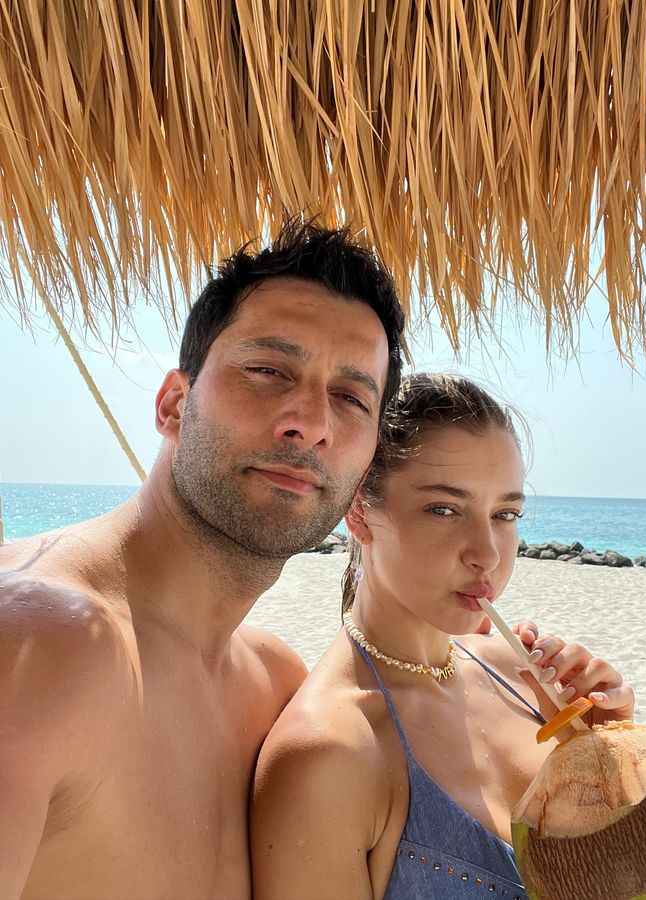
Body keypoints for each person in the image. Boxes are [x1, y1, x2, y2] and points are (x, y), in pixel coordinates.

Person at [0, 219, 404, 900]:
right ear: (173, 405)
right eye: (268, 371)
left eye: (350, 397)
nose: (311, 423)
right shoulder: (39, 646)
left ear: (364, 469)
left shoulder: (275, 685)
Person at [252, 373, 635, 900]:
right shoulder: (331, 754)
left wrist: (614, 751)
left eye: (505, 514)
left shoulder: (523, 676)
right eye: (445, 509)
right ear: (359, 510)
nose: (488, 553)